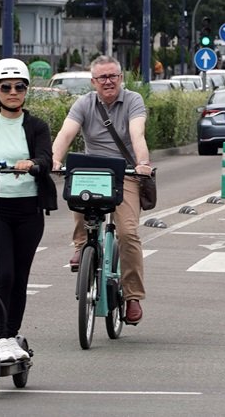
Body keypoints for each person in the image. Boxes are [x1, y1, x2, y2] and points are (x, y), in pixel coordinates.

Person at [0, 58, 56, 362]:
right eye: (6, 87)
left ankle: (10, 335)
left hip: (29, 209)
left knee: (19, 276)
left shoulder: (37, 126)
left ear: (27, 90)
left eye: (20, 86)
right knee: (2, 272)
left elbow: (46, 158)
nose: (13, 92)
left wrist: (33, 164)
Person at [50, 56, 152, 325]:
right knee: (77, 185)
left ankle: (132, 297)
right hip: (92, 171)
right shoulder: (84, 103)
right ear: (93, 82)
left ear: (121, 78)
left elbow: (136, 133)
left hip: (125, 172)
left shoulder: (133, 101)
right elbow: (65, 133)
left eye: (113, 76)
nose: (108, 82)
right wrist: (54, 160)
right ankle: (81, 244)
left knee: (128, 233)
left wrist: (142, 164)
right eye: (102, 78)